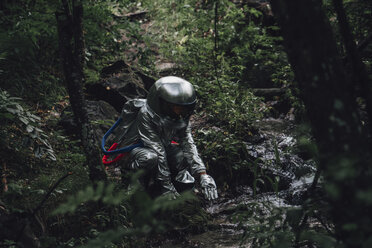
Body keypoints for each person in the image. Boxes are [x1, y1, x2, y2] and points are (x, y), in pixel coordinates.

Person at [117, 76, 218, 200]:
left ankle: (180, 184)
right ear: (163, 104)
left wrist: (203, 174)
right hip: (135, 152)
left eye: (184, 107)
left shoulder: (181, 117)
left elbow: (188, 144)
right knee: (150, 158)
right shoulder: (146, 115)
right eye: (176, 107)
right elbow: (158, 150)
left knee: (180, 155)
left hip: (158, 148)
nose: (180, 111)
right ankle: (134, 182)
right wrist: (167, 186)